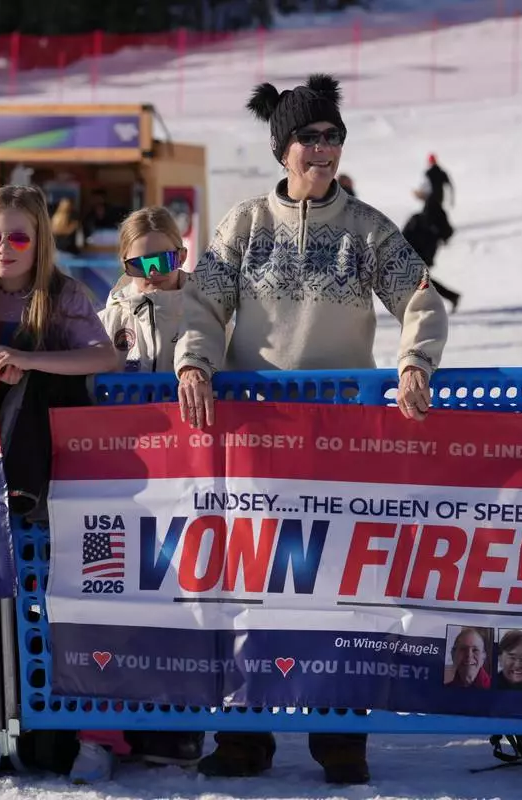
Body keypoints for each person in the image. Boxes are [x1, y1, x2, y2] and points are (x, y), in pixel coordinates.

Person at [175, 74, 448, 786]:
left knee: (340, 590)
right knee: (247, 586)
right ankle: (243, 734)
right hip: (254, 441)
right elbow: (202, 305)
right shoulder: (244, 226)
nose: (323, 149)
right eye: (310, 137)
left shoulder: (366, 229)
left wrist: (415, 362)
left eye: (333, 136)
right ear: (283, 148)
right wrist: (193, 364)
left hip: (340, 442)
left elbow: (420, 298)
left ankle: (340, 738)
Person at [71, 205, 205, 784]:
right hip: (129, 472)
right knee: (116, 596)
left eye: (165, 257)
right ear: (123, 264)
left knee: (188, 596)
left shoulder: (205, 304)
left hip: (193, 472)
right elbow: (89, 364)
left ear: (182, 252)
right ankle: (105, 730)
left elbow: (219, 347)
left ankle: (176, 725)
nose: (155, 271)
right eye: (140, 261)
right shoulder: (114, 311)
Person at [0, 185, 118, 516]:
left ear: (39, 242)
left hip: (40, 443)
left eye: (18, 239)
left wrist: (28, 361)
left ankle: (19, 491)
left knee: (33, 372)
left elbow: (104, 356)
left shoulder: (60, 294)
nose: (3, 248)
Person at [98, 206, 189, 373]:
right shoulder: (106, 323)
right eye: (140, 265)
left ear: (181, 257)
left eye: (163, 261)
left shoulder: (207, 315)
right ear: (125, 266)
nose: (153, 272)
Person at [402, 209, 461, 311]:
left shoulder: (425, 220)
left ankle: (448, 297)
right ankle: (451, 297)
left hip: (418, 255)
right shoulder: (421, 220)